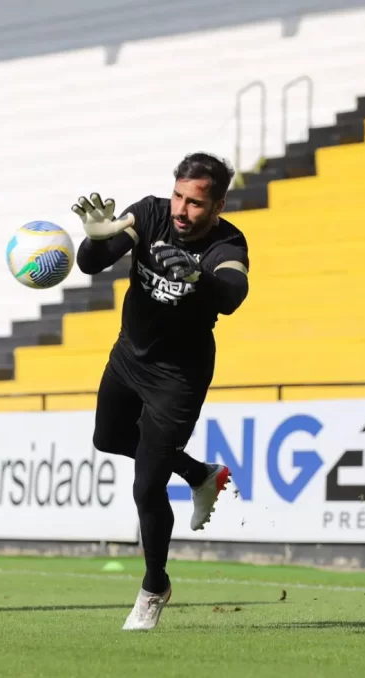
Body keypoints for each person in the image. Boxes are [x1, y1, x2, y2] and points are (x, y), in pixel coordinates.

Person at [72, 152, 250, 631]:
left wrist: (198, 279)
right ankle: (199, 474)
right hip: (129, 357)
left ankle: (154, 587)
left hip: (179, 378)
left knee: (146, 486)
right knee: (106, 439)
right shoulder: (150, 213)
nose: (181, 210)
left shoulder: (227, 242)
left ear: (217, 206)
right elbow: (91, 264)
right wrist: (94, 237)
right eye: (178, 195)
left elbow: (232, 293)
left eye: (195, 203)